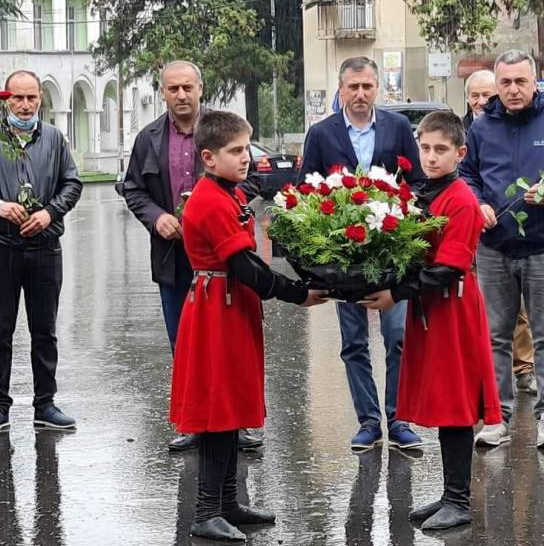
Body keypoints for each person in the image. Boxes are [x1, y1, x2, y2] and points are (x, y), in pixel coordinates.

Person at [169, 110, 325, 541]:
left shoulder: (230, 193)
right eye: (235, 151)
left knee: (233, 405)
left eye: (246, 149)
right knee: (218, 411)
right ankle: (205, 512)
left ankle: (227, 504)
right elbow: (244, 268)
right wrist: (297, 293)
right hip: (216, 310)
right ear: (208, 156)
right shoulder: (212, 200)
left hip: (230, 308)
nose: (246, 159)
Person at [364, 111, 502, 530]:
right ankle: (448, 494)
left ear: (460, 153)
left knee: (457, 405)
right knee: (445, 402)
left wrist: (395, 294)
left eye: (441, 150)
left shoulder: (459, 199)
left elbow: (449, 268)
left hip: (453, 309)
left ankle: (459, 500)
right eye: (425, 148)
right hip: (432, 309)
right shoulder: (426, 192)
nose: (431, 156)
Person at [123, 60, 261, 452]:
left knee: (232, 342)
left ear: (201, 88)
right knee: (183, 342)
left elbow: (250, 177)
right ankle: (193, 421)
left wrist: (220, 209)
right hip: (173, 256)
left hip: (223, 258)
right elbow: (132, 188)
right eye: (172, 89)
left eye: (187, 87)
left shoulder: (224, 129)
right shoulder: (148, 138)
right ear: (162, 92)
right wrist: (157, 217)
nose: (181, 95)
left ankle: (239, 422)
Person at [460, 49, 544, 449]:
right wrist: (478, 204)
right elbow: (467, 175)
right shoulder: (482, 128)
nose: (513, 90)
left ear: (535, 82)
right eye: (506, 83)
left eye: (521, 81)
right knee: (494, 336)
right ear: (496, 86)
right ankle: (496, 416)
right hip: (494, 248)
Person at [298, 56, 424, 452]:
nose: (360, 94)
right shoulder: (321, 134)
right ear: (341, 90)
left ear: (377, 89)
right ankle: (369, 421)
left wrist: (404, 210)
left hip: (390, 250)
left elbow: (417, 180)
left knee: (397, 336)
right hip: (343, 255)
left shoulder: (398, 127)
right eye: (353, 87)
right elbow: (305, 190)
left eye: (367, 86)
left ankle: (399, 418)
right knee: (354, 341)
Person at [0, 70, 82, 435]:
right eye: (17, 99)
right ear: (5, 100)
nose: (25, 106)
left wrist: (49, 212)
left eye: (31, 98)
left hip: (44, 248)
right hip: (0, 248)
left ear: (40, 98)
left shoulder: (55, 139)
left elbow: (72, 183)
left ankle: (45, 403)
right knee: (0, 330)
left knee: (44, 329)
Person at [462, 68, 537, 396]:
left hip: (502, 233)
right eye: (475, 96)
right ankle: (474, 370)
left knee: (513, 309)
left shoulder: (507, 127)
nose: (481, 102)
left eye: (487, 96)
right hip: (464, 234)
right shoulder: (457, 131)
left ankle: (523, 368)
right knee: (468, 306)